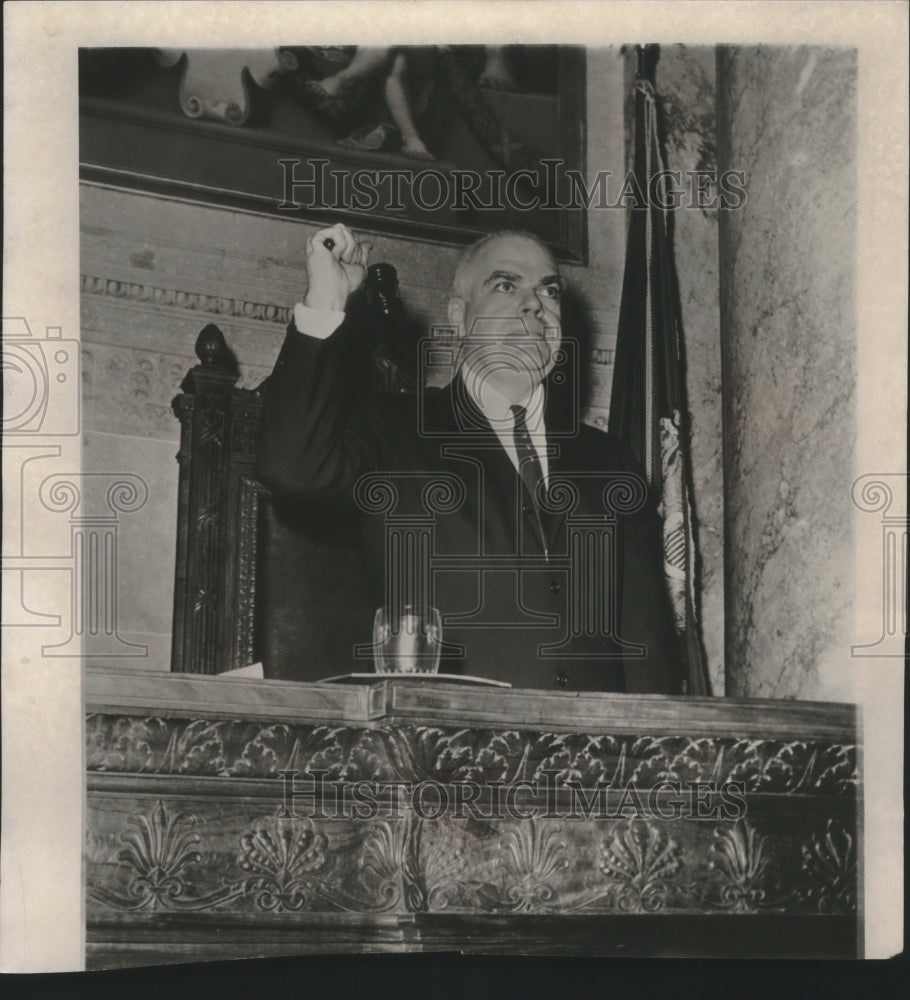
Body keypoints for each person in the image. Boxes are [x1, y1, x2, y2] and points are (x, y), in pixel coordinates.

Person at [257, 223, 681, 693]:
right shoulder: (394, 429)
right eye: (505, 285)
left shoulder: (609, 460)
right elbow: (292, 467)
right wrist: (324, 300)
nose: (535, 303)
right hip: (445, 755)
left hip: (591, 761)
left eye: (550, 290)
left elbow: (648, 650)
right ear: (459, 317)